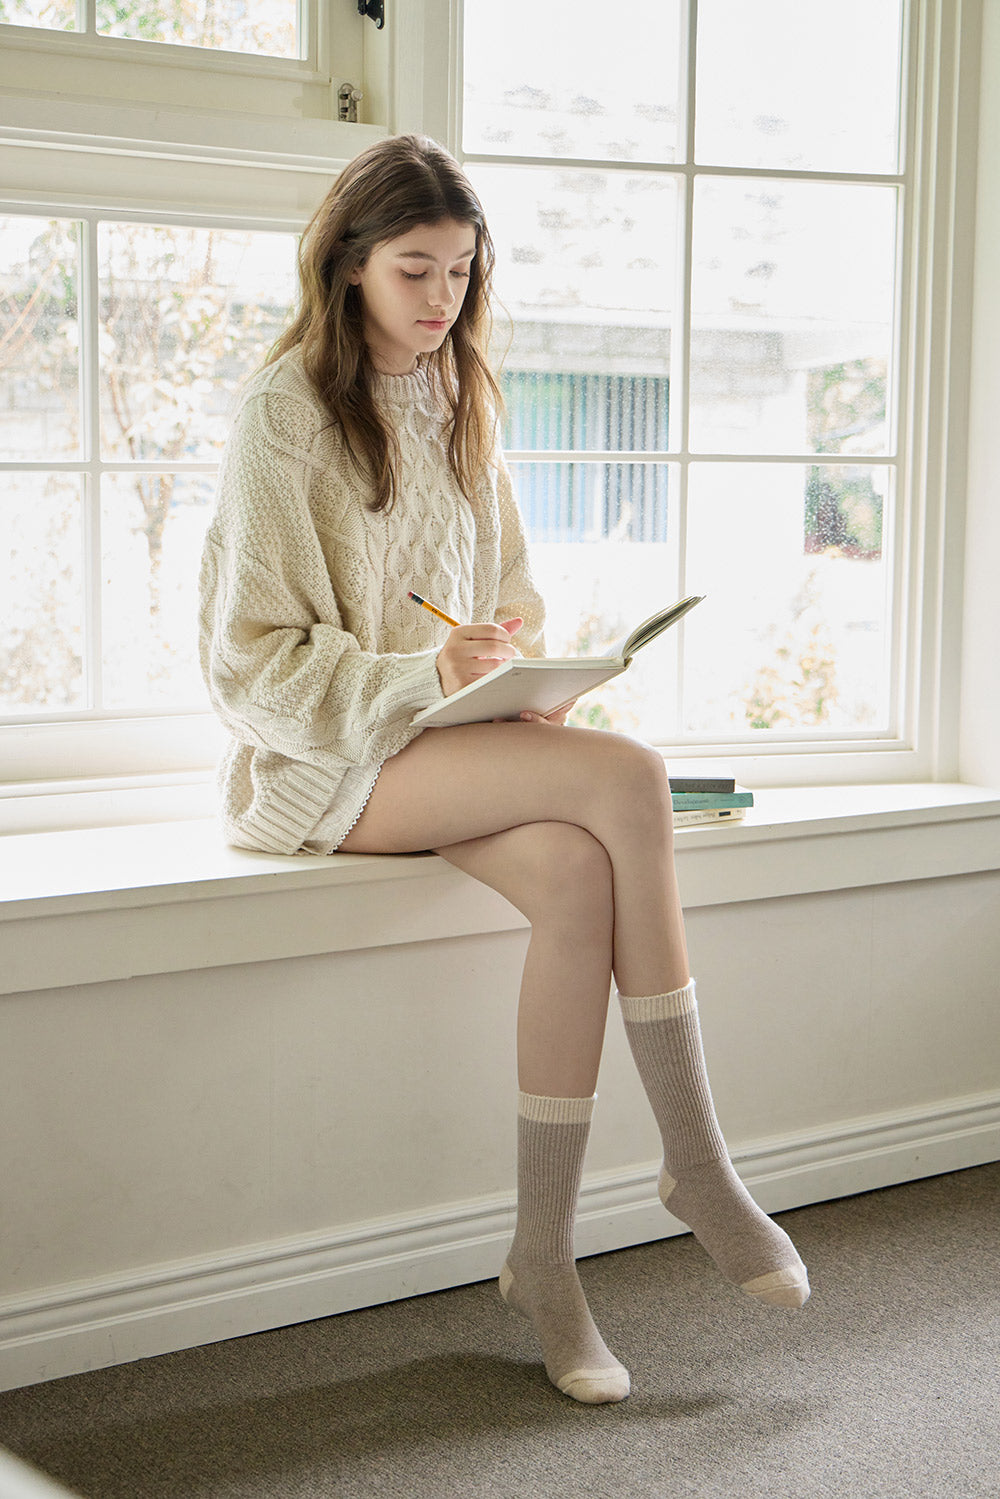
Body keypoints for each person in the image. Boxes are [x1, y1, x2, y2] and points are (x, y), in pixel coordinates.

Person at [198, 133, 809, 1406]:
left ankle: (543, 1256)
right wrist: (428, 680)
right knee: (630, 781)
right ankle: (697, 1163)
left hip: (451, 742)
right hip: (327, 767)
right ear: (349, 265)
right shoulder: (285, 414)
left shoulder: (465, 399)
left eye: (462, 273)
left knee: (582, 876)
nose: (439, 300)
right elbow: (248, 666)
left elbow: (508, 598)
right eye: (414, 270)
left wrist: (517, 669)